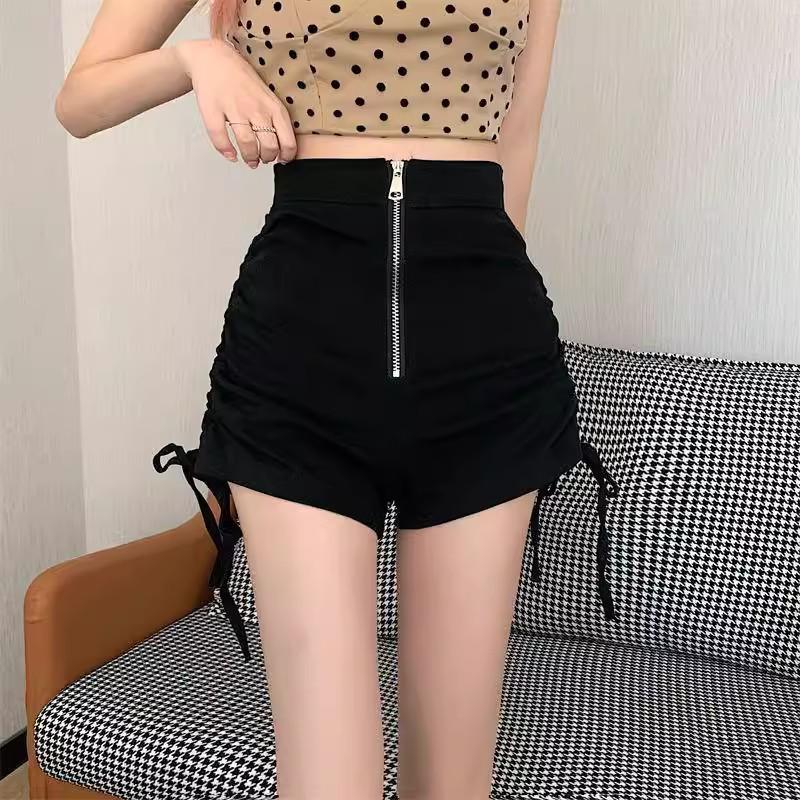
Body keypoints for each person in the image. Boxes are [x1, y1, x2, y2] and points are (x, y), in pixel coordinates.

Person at [55, 1, 618, 797]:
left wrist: (492, 323)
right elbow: (79, 100)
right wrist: (196, 60)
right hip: (297, 364)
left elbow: (518, 136)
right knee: (327, 779)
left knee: (454, 779)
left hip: (489, 357)